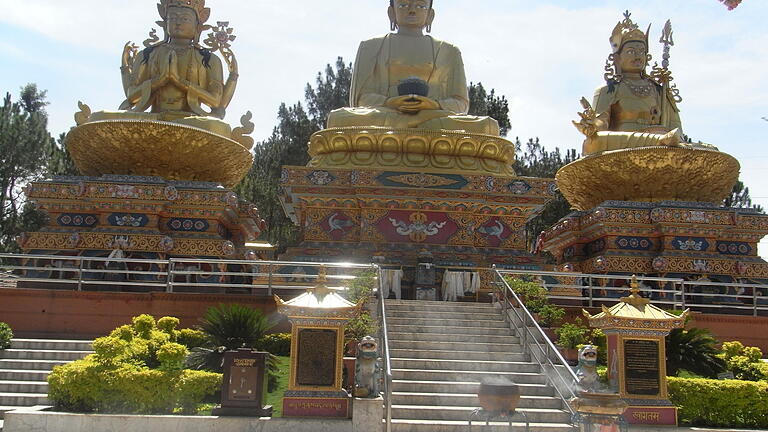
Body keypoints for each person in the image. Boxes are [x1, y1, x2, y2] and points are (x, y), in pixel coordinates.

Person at [327, 0, 499, 134]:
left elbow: (460, 103)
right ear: (391, 12)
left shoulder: (449, 51)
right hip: (385, 115)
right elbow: (360, 100)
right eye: (403, 4)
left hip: (432, 117)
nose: (412, 10)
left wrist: (433, 105)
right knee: (338, 119)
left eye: (420, 5)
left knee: (488, 126)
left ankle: (409, 127)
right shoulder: (371, 46)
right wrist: (390, 102)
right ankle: (414, 128)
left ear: (430, 15)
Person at [573, 12, 714, 155]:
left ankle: (658, 142)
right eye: (631, 52)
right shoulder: (608, 89)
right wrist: (590, 127)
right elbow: (600, 129)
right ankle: (656, 142)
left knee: (709, 150)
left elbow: (677, 134)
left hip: (664, 144)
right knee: (595, 140)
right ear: (617, 58)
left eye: (641, 52)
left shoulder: (660, 90)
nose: (637, 56)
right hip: (623, 148)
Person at [90, 0, 237, 136]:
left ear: (198, 26)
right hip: (152, 118)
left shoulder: (209, 59)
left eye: (184, 18)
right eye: (172, 18)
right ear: (165, 23)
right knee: (99, 117)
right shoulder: (147, 54)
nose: (178, 22)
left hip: (189, 120)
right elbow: (132, 96)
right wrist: (159, 81)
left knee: (217, 128)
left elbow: (215, 101)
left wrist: (179, 82)